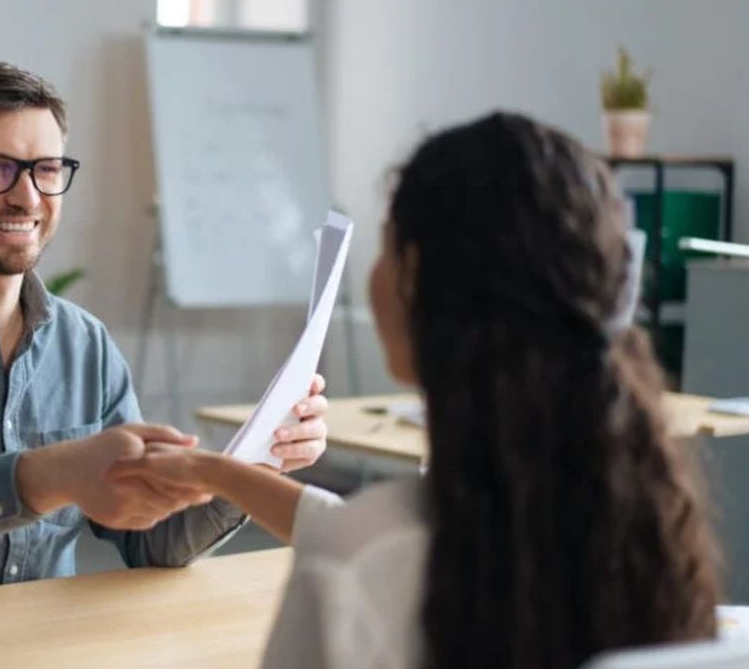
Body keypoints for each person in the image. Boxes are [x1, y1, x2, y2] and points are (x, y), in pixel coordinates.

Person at [110, 112, 720, 668]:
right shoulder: (650, 523)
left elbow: (364, 538)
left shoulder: (362, 564)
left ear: (416, 278)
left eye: (385, 243)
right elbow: (347, 524)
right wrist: (213, 471)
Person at [0, 62, 330, 608]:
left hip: (33, 648)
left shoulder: (86, 346)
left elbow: (151, 542)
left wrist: (255, 465)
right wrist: (49, 475)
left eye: (46, 169)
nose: (27, 198)